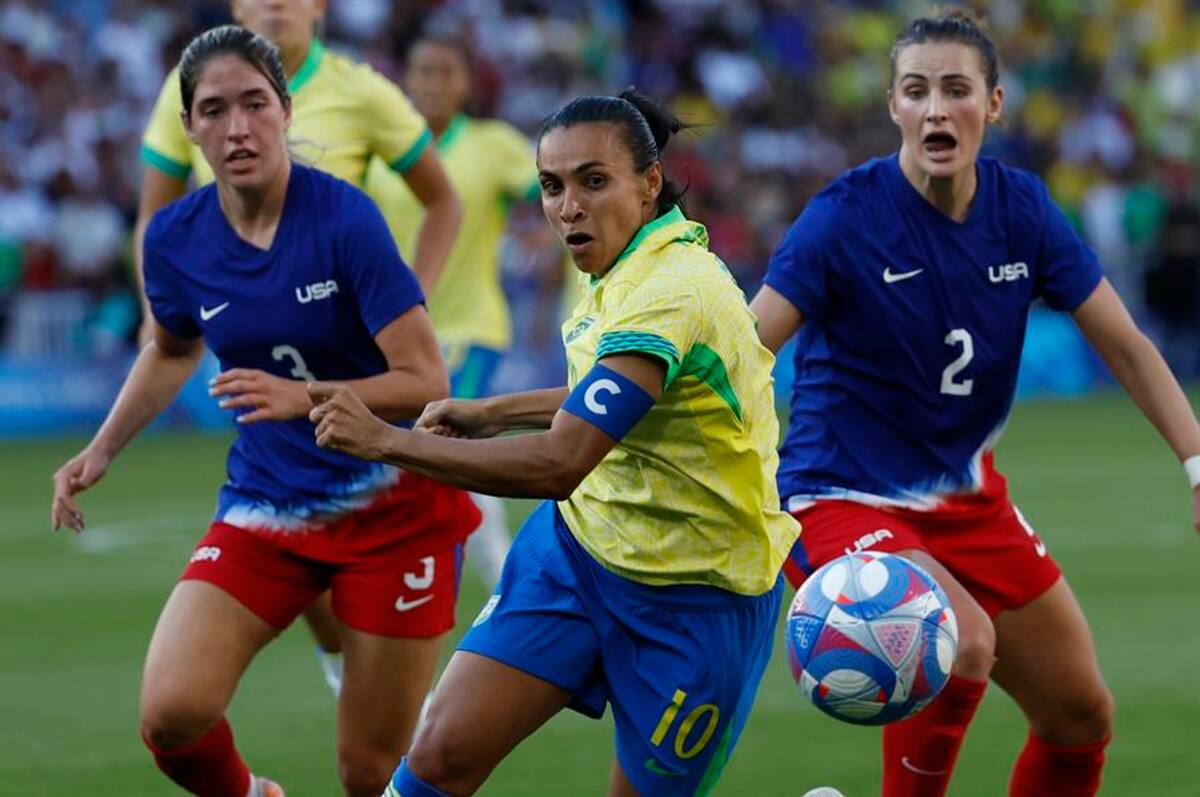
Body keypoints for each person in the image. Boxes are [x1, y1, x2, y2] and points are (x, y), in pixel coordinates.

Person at [750, 9, 1200, 797]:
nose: (936, 109)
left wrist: (1196, 462)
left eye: (956, 89)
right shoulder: (843, 217)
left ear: (993, 104)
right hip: (839, 499)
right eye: (916, 90)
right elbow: (744, 351)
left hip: (968, 500)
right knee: (961, 642)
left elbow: (1127, 346)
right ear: (893, 105)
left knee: (1080, 714)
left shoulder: (1022, 210)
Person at [307, 88, 801, 797]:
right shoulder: (626, 262)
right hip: (578, 554)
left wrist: (384, 440)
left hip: (700, 601)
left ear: (649, 182)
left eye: (592, 181)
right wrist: (495, 411)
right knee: (439, 754)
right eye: (551, 186)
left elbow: (563, 460)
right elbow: (616, 397)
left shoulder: (672, 290)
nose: (568, 206)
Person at [50, 26, 479, 797]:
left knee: (370, 773)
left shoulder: (345, 219)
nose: (238, 127)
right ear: (189, 128)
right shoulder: (174, 237)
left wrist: (303, 396)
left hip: (394, 513)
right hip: (267, 504)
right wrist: (102, 447)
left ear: (285, 109)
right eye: (214, 110)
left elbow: (424, 378)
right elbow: (172, 349)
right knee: (171, 715)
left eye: (254, 103)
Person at [135, 0, 463, 693]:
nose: (275, 3)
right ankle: (343, 659)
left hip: (357, 352)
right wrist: (155, 309)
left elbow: (442, 200)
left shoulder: (362, 93)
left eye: (255, 105)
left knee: (376, 739)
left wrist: (410, 294)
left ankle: (388, 669)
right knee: (294, 515)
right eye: (215, 111)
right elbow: (154, 212)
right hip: (259, 341)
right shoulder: (185, 83)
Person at [382, 32, 547, 588]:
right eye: (423, 70)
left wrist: (553, 251)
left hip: (471, 325)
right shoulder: (381, 151)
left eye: (445, 71)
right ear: (406, 79)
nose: (433, 83)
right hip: (397, 333)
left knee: (447, 441)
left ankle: (500, 580)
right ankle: (476, 577)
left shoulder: (491, 144)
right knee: (422, 456)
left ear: (465, 84)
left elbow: (554, 189)